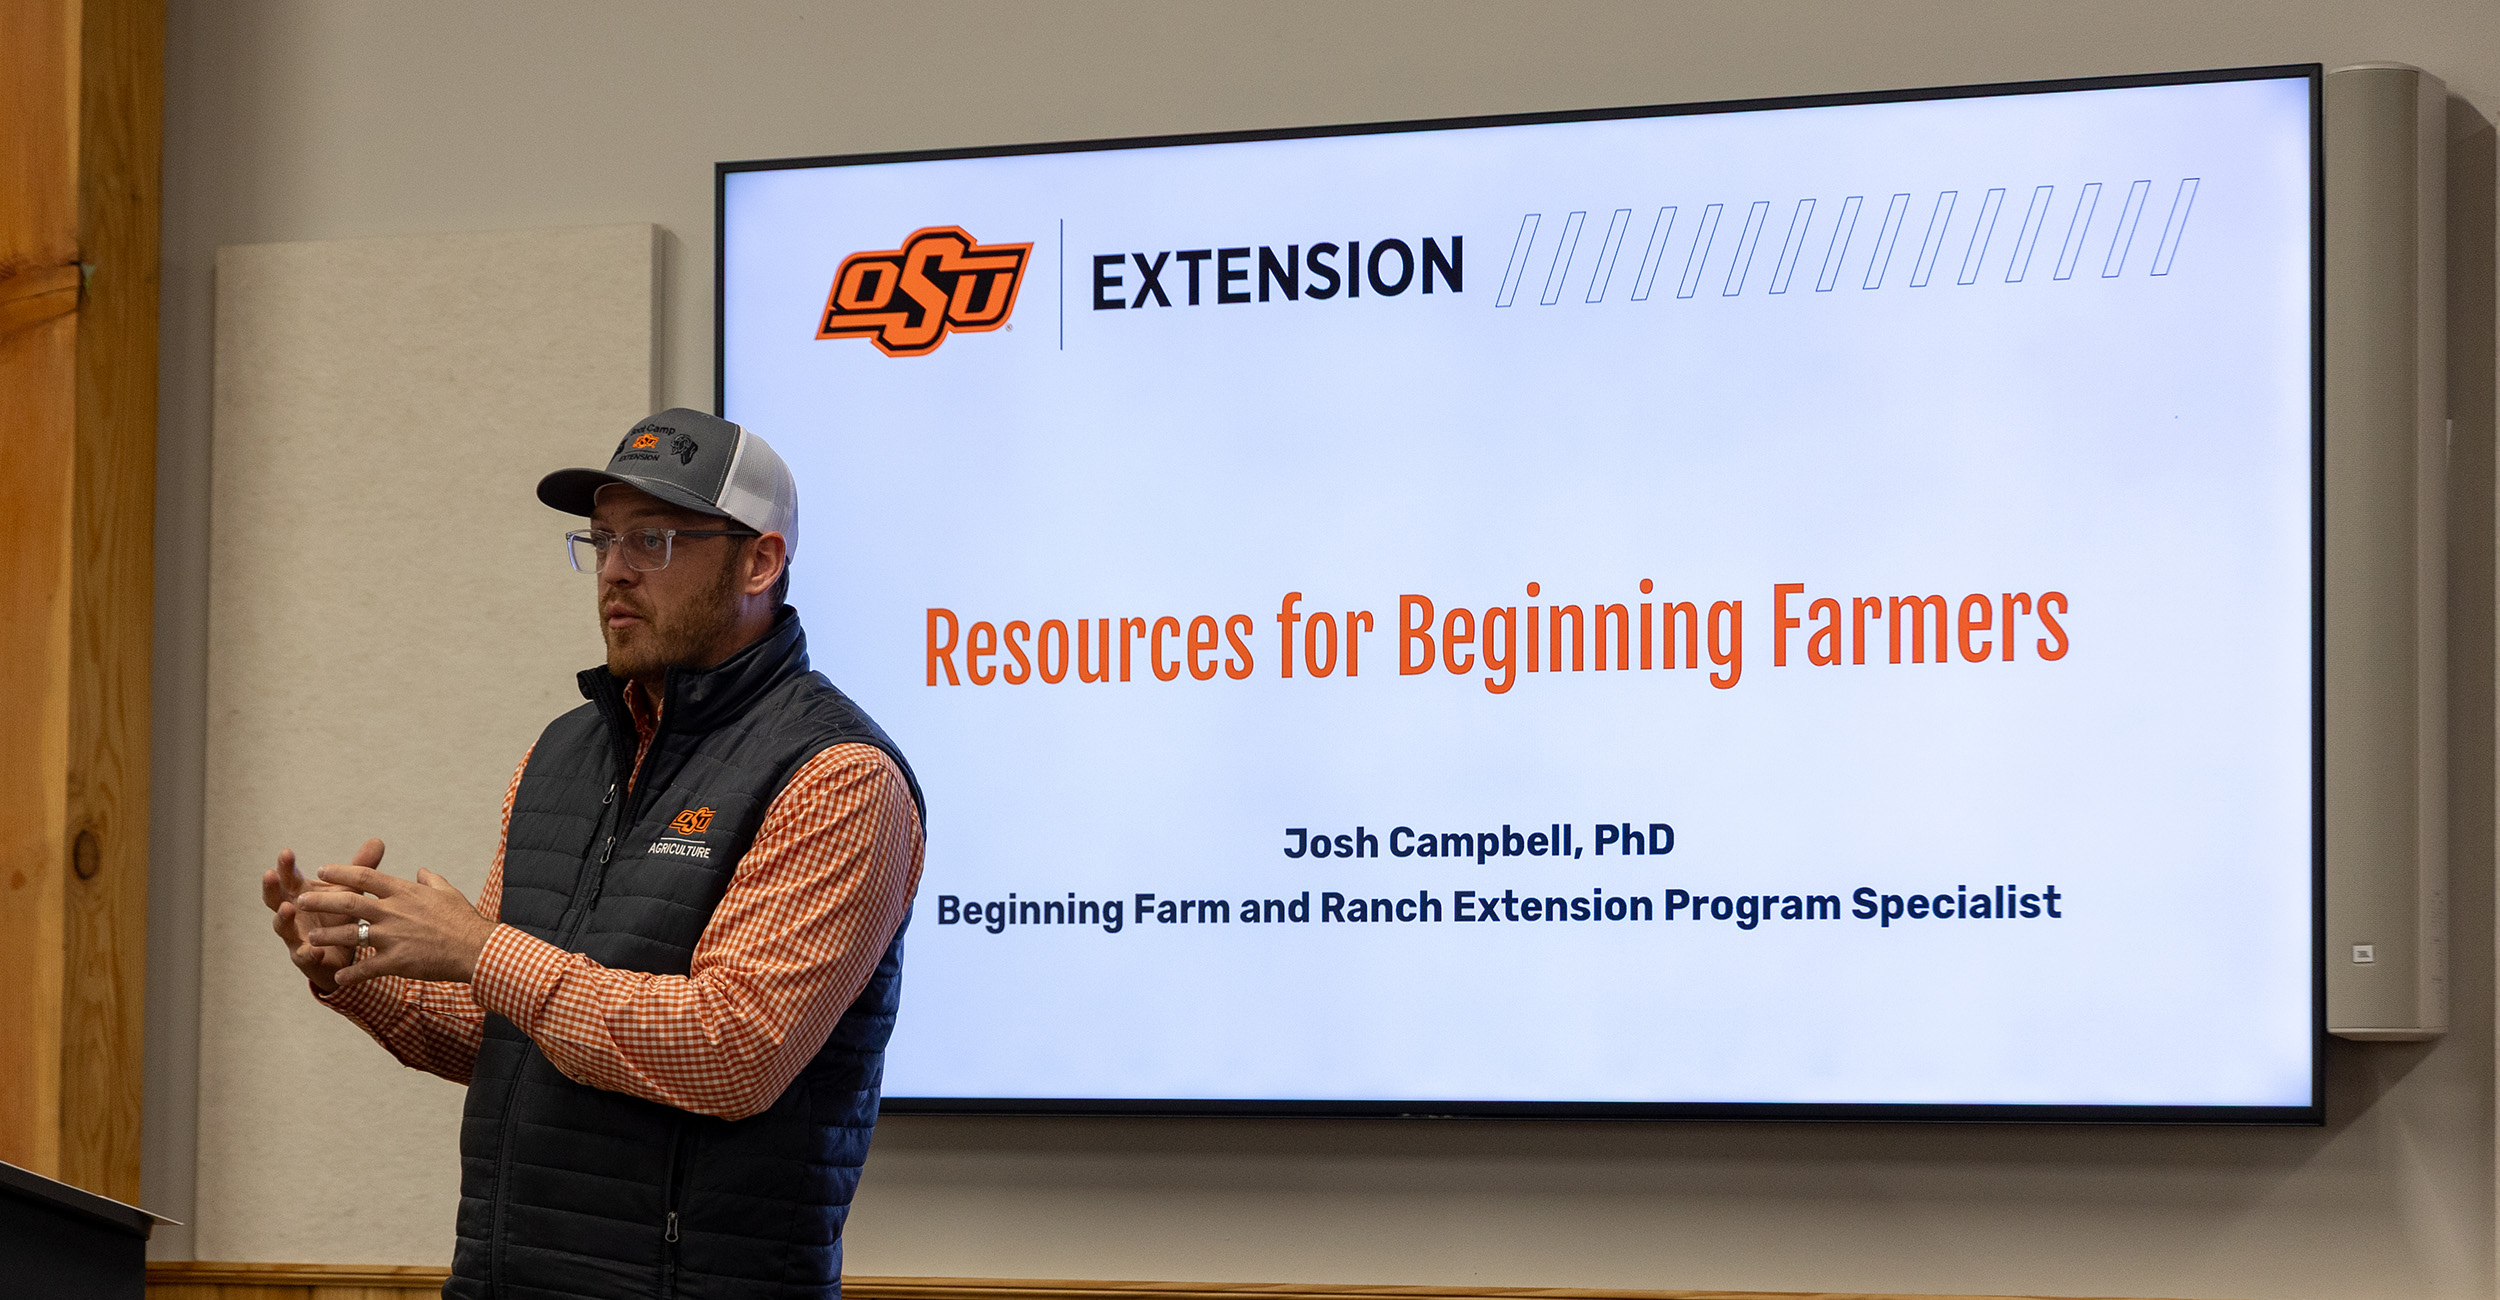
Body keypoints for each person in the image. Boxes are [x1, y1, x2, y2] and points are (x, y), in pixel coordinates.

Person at [263, 408, 927, 1300]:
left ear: (760, 563)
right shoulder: (560, 755)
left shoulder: (838, 776)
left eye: (652, 539)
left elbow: (734, 1048)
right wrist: (361, 973)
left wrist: (478, 950)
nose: (613, 570)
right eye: (602, 539)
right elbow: (502, 1031)